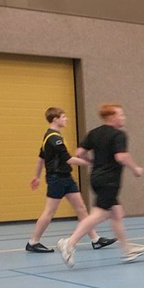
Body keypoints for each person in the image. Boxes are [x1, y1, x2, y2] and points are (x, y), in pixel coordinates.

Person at [55, 104, 144, 267]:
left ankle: (127, 249)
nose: (123, 117)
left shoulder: (94, 133)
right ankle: (69, 243)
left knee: (117, 213)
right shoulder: (119, 135)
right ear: (111, 117)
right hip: (109, 181)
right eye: (120, 114)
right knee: (99, 215)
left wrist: (93, 161)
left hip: (96, 178)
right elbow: (121, 157)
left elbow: (79, 153)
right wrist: (136, 168)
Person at [26, 107, 114, 253]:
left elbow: (41, 158)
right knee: (49, 212)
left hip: (66, 178)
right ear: (55, 119)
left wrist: (36, 176)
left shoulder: (51, 136)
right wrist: (93, 162)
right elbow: (68, 159)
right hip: (57, 179)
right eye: (63, 116)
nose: (66, 119)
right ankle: (33, 242)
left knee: (81, 209)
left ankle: (95, 239)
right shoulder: (54, 138)